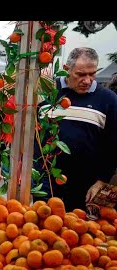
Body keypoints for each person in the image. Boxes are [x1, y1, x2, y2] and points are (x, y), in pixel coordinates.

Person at [34, 47, 117, 211]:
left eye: (92, 74)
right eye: (80, 74)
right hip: (46, 180)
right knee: (43, 229)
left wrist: (102, 180)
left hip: (85, 185)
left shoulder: (108, 100)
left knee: (77, 232)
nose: (87, 80)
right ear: (66, 69)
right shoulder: (46, 91)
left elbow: (113, 144)